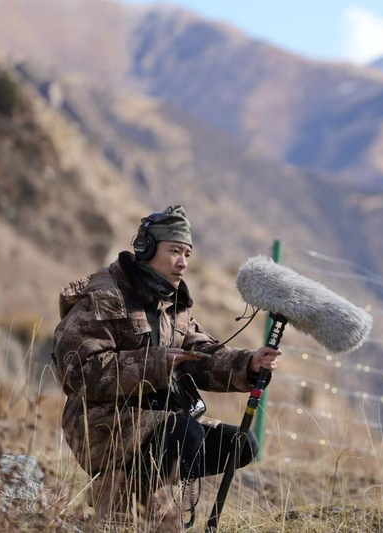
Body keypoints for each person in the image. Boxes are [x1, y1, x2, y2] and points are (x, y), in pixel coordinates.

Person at [51, 205, 280, 526]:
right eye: (174, 251)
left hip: (156, 419)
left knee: (241, 445)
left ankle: (133, 493)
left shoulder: (172, 305)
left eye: (187, 253)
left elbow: (201, 353)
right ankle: (123, 502)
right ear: (145, 248)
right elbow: (80, 372)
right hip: (99, 424)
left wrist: (249, 364)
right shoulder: (105, 296)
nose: (183, 262)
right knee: (183, 433)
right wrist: (153, 365)